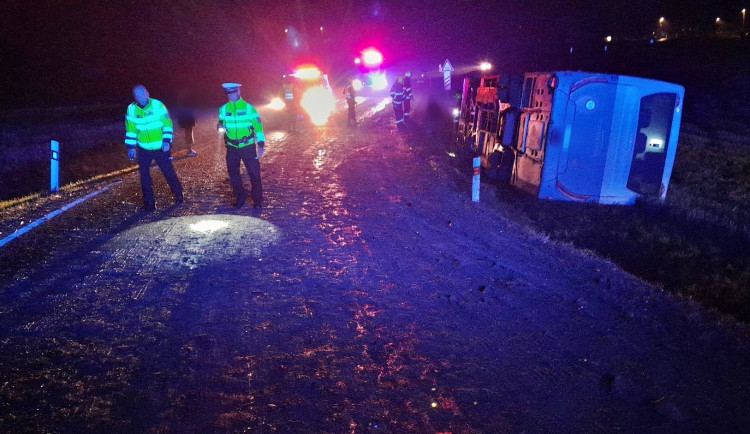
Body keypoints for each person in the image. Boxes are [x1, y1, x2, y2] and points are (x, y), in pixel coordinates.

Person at [125, 85, 183, 211]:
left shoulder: (157, 105)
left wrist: (167, 141)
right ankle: (149, 204)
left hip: (160, 148)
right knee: (144, 177)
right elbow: (131, 130)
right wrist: (131, 147)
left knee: (168, 172)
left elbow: (167, 124)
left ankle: (178, 194)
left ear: (147, 93)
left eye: (142, 93)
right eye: (137, 94)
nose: (140, 96)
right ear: (134, 96)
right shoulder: (131, 109)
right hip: (143, 149)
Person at [217, 83, 266, 208]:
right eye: (228, 94)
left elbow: (258, 127)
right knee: (233, 174)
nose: (230, 96)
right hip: (232, 147)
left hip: (247, 146)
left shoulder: (249, 108)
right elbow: (221, 123)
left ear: (238, 91)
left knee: (254, 173)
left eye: (232, 93)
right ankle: (240, 197)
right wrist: (219, 126)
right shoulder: (223, 109)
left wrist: (260, 144)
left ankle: (258, 200)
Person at [175, 88, 198, 157]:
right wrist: (194, 120)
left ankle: (189, 149)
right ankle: (189, 150)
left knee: (188, 134)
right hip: (188, 121)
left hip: (185, 120)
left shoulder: (181, 102)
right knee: (189, 135)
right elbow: (191, 112)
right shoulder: (187, 102)